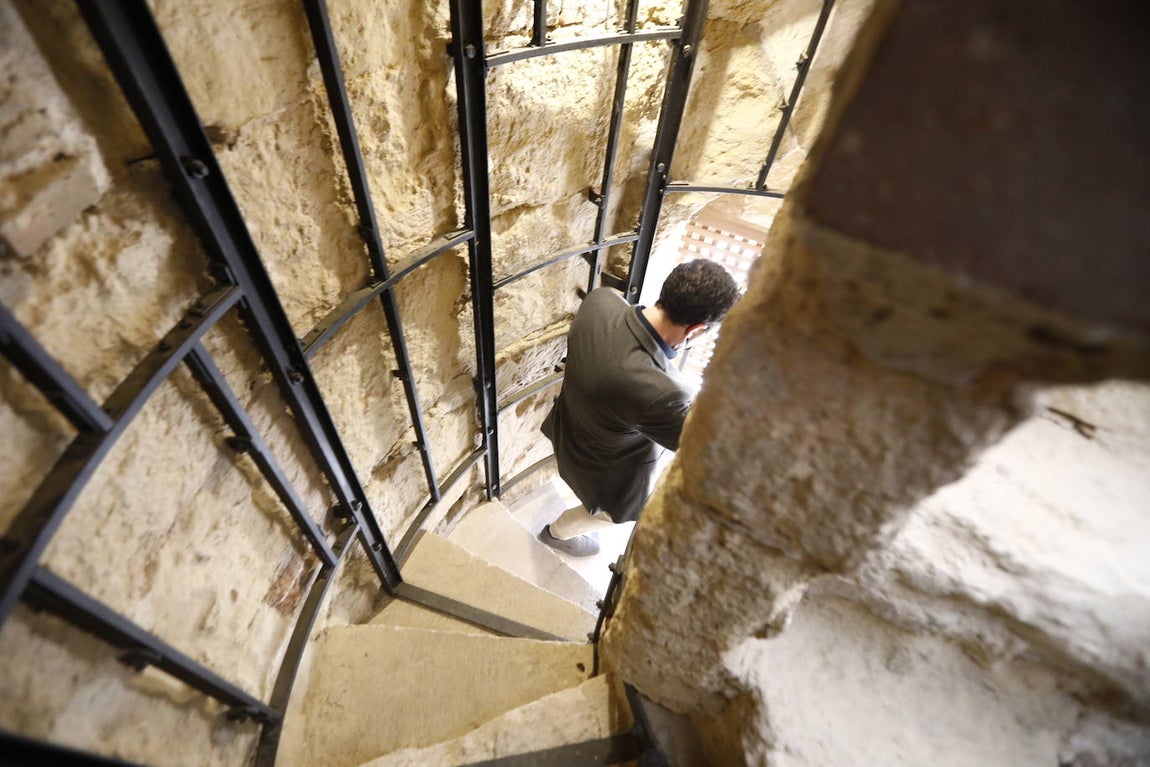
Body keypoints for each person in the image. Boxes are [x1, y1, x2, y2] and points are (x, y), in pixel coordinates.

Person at [538, 258, 741, 556]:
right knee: (610, 516)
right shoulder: (663, 393)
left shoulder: (601, 301)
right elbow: (701, 447)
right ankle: (558, 533)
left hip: (568, 427)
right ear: (697, 329)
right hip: (605, 473)